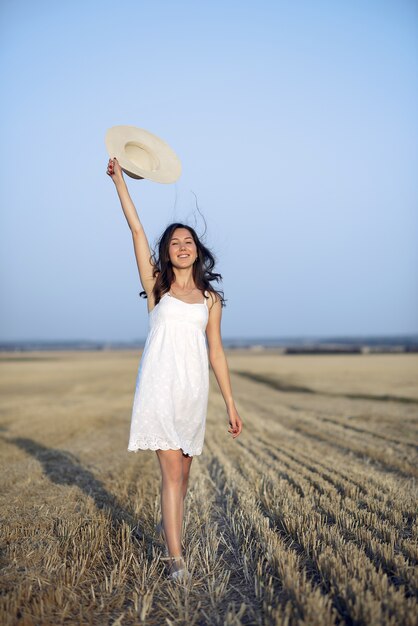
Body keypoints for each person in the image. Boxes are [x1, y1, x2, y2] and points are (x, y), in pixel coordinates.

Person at [106, 157, 243, 582]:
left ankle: (172, 534)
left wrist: (231, 405)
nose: (182, 246)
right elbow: (136, 229)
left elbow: (216, 353)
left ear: (197, 251)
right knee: (169, 472)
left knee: (183, 475)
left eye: (188, 242)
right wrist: (119, 183)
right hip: (159, 387)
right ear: (167, 253)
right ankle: (176, 561)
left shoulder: (210, 300)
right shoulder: (157, 287)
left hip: (192, 392)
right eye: (174, 243)